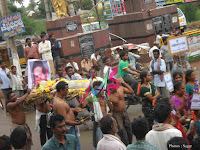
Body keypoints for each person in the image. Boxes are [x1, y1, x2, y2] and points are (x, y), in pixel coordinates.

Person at [81, 81, 113, 149]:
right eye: (95, 90)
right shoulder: (90, 97)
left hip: (107, 121)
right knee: (98, 141)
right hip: (98, 122)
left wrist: (107, 98)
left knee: (109, 140)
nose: (97, 92)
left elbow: (111, 108)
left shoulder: (105, 97)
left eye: (99, 89)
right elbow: (82, 105)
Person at [53, 81, 83, 150]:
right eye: (66, 90)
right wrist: (77, 123)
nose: (68, 91)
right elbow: (64, 121)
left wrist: (74, 109)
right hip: (68, 129)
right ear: (61, 90)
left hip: (71, 127)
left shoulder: (61, 99)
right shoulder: (59, 103)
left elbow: (67, 110)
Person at [108, 78, 134, 146]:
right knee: (122, 132)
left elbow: (131, 91)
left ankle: (130, 145)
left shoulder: (121, 88)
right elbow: (110, 108)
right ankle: (125, 146)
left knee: (129, 129)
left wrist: (123, 82)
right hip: (117, 114)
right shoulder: (109, 95)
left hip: (124, 112)